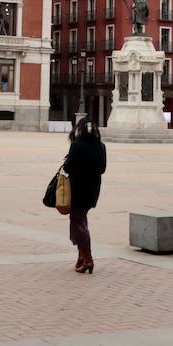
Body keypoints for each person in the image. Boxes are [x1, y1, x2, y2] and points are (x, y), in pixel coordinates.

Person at [62, 116, 107, 274]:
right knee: (80, 220)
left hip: (77, 188)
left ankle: (88, 258)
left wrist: (69, 161)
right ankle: (81, 256)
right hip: (93, 189)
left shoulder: (77, 144)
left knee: (78, 222)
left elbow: (67, 168)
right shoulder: (101, 146)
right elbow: (102, 169)